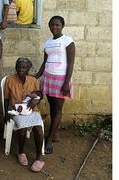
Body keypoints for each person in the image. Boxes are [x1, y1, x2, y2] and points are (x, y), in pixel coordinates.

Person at [36, 15, 75, 154]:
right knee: (52, 107)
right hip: (48, 77)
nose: (54, 27)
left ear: (62, 26)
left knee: (57, 109)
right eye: (52, 25)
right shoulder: (47, 43)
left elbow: (70, 63)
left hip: (60, 79)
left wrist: (66, 82)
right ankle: (56, 133)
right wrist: (37, 76)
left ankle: (50, 139)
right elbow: (44, 62)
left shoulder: (67, 41)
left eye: (57, 25)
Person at [4, 58, 45, 172]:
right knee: (22, 128)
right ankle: (21, 152)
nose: (20, 69)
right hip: (16, 109)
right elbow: (6, 99)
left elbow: (39, 96)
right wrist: (5, 113)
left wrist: (36, 101)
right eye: (18, 66)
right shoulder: (9, 80)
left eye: (23, 67)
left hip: (33, 110)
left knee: (38, 129)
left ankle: (38, 158)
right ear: (15, 67)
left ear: (28, 68)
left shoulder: (33, 80)